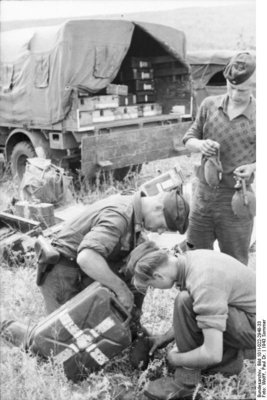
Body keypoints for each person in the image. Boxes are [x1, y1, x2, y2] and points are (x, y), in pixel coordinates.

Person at [1, 189, 189, 348]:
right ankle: (7, 327)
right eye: (163, 226)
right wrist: (121, 290)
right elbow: (87, 258)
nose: (160, 232)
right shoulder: (120, 215)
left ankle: (134, 332)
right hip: (63, 272)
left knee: (135, 278)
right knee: (60, 343)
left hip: (80, 271)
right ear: (157, 208)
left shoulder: (135, 210)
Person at [127, 241, 256, 400]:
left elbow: (212, 353)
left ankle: (188, 383)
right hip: (248, 315)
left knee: (184, 301)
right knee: (186, 302)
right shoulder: (188, 262)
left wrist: (176, 358)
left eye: (152, 285)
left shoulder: (203, 281)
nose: (155, 289)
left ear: (157, 276)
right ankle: (223, 370)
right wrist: (165, 338)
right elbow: (198, 309)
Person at [182, 51, 256, 264]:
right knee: (195, 260)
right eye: (230, 87)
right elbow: (188, 138)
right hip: (203, 195)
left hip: (236, 200)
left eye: (241, 90)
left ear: (253, 85)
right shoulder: (209, 105)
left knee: (235, 263)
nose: (234, 94)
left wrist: (253, 167)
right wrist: (200, 145)